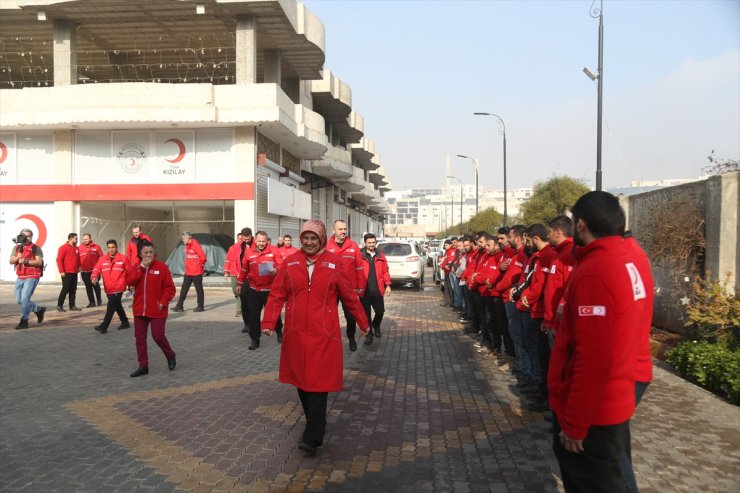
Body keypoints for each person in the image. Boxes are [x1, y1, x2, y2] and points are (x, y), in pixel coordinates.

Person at [548, 191, 644, 492]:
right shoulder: (629, 256)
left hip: (596, 410)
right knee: (616, 476)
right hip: (615, 395)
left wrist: (575, 424)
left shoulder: (595, 272)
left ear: (580, 225)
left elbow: (593, 358)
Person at [260, 220, 370, 456]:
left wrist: (363, 322)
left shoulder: (335, 262)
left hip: (324, 335)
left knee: (318, 385)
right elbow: (277, 294)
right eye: (306, 238)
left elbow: (350, 296)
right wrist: (269, 322)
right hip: (296, 334)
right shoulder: (290, 263)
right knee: (301, 382)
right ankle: (315, 424)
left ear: (321, 239)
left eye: (314, 238)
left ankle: (313, 435)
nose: (309, 242)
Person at [125, 241, 177, 377]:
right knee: (140, 338)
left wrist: (163, 302)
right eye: (145, 253)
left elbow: (170, 288)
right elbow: (129, 282)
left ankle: (170, 355)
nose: (149, 255)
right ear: (140, 254)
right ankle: (143, 365)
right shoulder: (136, 267)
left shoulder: (162, 267)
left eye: (151, 252)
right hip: (139, 310)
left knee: (158, 336)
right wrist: (142, 267)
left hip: (157, 310)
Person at [236, 231, 283, 350]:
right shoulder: (249, 252)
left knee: (273, 314)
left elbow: (281, 265)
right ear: (255, 241)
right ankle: (254, 339)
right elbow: (244, 269)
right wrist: (240, 283)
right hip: (254, 289)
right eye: (259, 241)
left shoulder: (274, 251)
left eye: (263, 241)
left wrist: (276, 270)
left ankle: (279, 332)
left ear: (267, 241)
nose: (261, 243)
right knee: (253, 316)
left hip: (269, 290)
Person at [325, 220, 367, 352]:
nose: (343, 231)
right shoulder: (326, 246)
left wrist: (360, 286)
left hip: (349, 288)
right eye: (340, 229)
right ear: (334, 231)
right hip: (331, 289)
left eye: (345, 229)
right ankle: (329, 339)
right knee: (328, 315)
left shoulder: (353, 246)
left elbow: (359, 268)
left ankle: (351, 338)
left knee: (350, 317)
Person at [8, 228, 46, 330]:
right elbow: (11, 261)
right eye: (24, 235)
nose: (26, 237)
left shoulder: (35, 248)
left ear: (31, 237)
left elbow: (39, 262)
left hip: (32, 277)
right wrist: (17, 258)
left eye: (28, 236)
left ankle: (24, 321)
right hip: (20, 277)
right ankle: (39, 310)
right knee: (19, 300)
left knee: (25, 299)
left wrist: (26, 261)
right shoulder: (16, 248)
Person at [91, 240, 131, 333]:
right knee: (117, 305)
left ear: (116, 247)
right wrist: (94, 277)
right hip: (108, 288)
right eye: (109, 248)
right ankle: (125, 322)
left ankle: (104, 326)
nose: (111, 250)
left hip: (119, 287)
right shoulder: (102, 259)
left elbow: (130, 272)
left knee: (111, 306)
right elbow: (96, 269)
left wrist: (131, 284)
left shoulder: (123, 259)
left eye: (113, 247)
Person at [359, 233, 391, 346]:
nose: (372, 244)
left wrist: (388, 285)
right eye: (369, 243)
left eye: (373, 242)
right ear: (365, 243)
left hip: (377, 289)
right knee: (366, 315)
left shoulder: (380, 254)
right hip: (364, 290)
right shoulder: (359, 254)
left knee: (380, 312)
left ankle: (376, 325)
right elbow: (355, 271)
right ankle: (369, 335)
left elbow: (385, 271)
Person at [172, 232, 207, 312]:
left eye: (184, 238)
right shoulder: (187, 245)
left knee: (199, 290)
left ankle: (200, 306)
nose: (183, 240)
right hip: (188, 272)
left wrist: (200, 266)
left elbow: (203, 258)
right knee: (184, 289)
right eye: (182, 238)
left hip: (196, 272)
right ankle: (179, 306)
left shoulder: (196, 245)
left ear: (189, 238)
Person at [224, 230, 247, 317]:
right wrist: (226, 271)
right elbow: (228, 260)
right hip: (233, 273)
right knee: (235, 291)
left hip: (241, 274)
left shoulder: (245, 249)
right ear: (237, 239)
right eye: (240, 238)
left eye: (242, 238)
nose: (241, 240)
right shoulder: (232, 248)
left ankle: (239, 309)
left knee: (240, 291)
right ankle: (240, 303)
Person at [56, 232, 81, 312]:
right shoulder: (63, 248)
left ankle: (72, 305)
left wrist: (79, 266)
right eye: (75, 238)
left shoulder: (76, 248)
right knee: (65, 289)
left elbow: (78, 259)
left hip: (74, 272)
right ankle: (60, 305)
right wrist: (61, 271)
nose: (77, 240)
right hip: (66, 272)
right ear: (70, 238)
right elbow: (59, 260)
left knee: (73, 289)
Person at [79, 233, 104, 307]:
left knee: (95, 285)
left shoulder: (97, 247)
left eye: (86, 239)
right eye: (83, 239)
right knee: (88, 287)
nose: (84, 241)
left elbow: (101, 258)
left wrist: (100, 268)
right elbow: (77, 259)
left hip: (94, 271)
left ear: (90, 239)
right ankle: (92, 302)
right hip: (84, 271)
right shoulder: (79, 248)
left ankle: (99, 300)